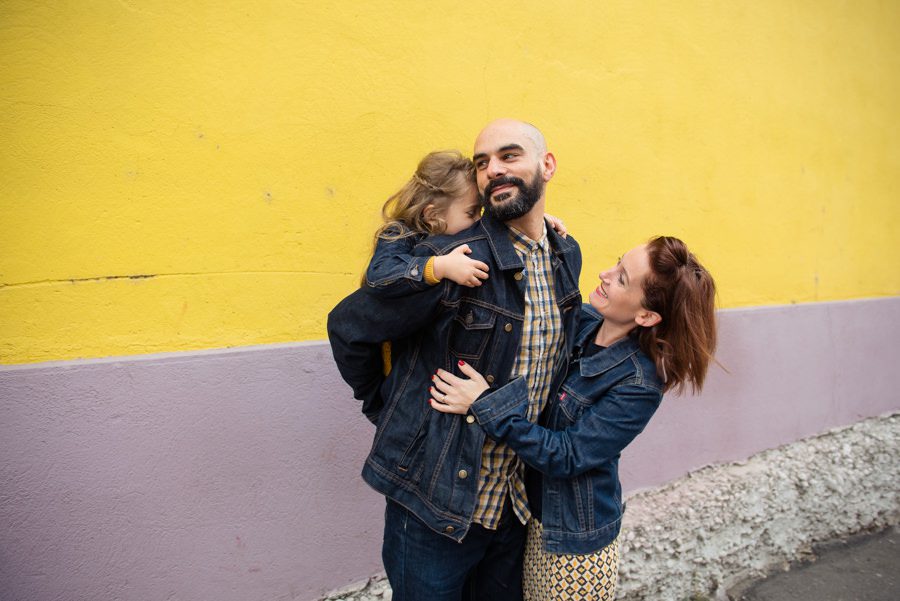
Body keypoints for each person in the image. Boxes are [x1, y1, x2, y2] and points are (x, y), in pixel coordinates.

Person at [328, 119, 583, 601]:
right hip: (435, 506)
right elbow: (349, 327)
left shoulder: (564, 253)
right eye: (483, 162)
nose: (494, 171)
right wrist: (385, 407)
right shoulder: (453, 258)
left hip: (513, 504)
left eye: (510, 156)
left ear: (546, 165)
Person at [429, 236, 717, 600]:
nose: (605, 274)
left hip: (574, 547)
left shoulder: (638, 383)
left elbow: (566, 455)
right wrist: (545, 233)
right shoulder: (582, 323)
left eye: (623, 279)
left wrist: (485, 404)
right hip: (531, 519)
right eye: (616, 263)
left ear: (646, 315)